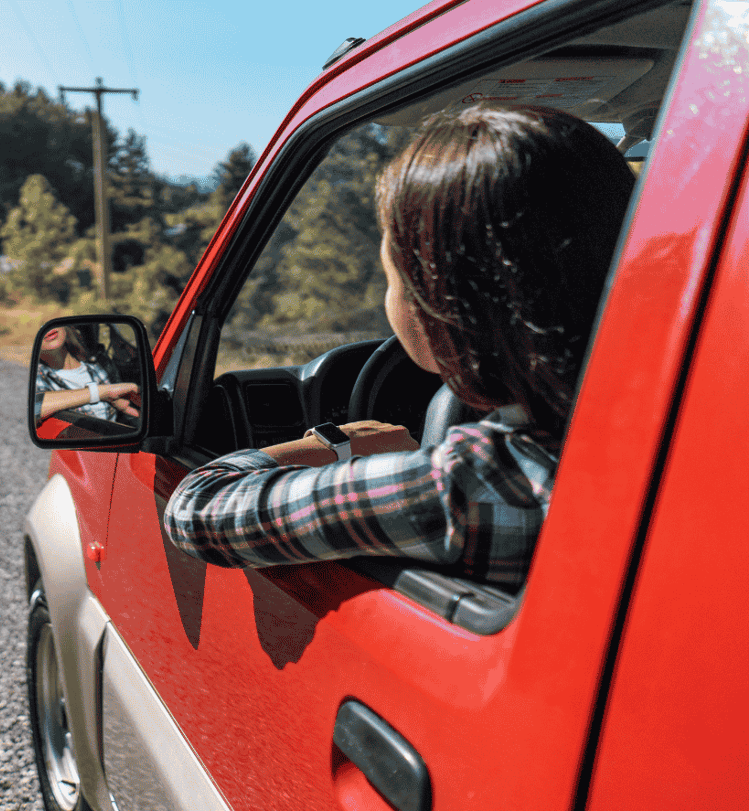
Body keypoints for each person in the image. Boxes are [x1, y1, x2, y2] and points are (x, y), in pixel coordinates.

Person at [164, 105, 637, 589]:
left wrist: (334, 445)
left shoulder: (470, 485)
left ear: (443, 304)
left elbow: (196, 509)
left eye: (392, 278)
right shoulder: (681, 429)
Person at [34, 324, 140, 423]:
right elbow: (34, 408)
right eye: (38, 324)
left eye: (50, 320)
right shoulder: (37, 375)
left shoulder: (97, 366)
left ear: (66, 328)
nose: (46, 326)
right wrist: (102, 393)